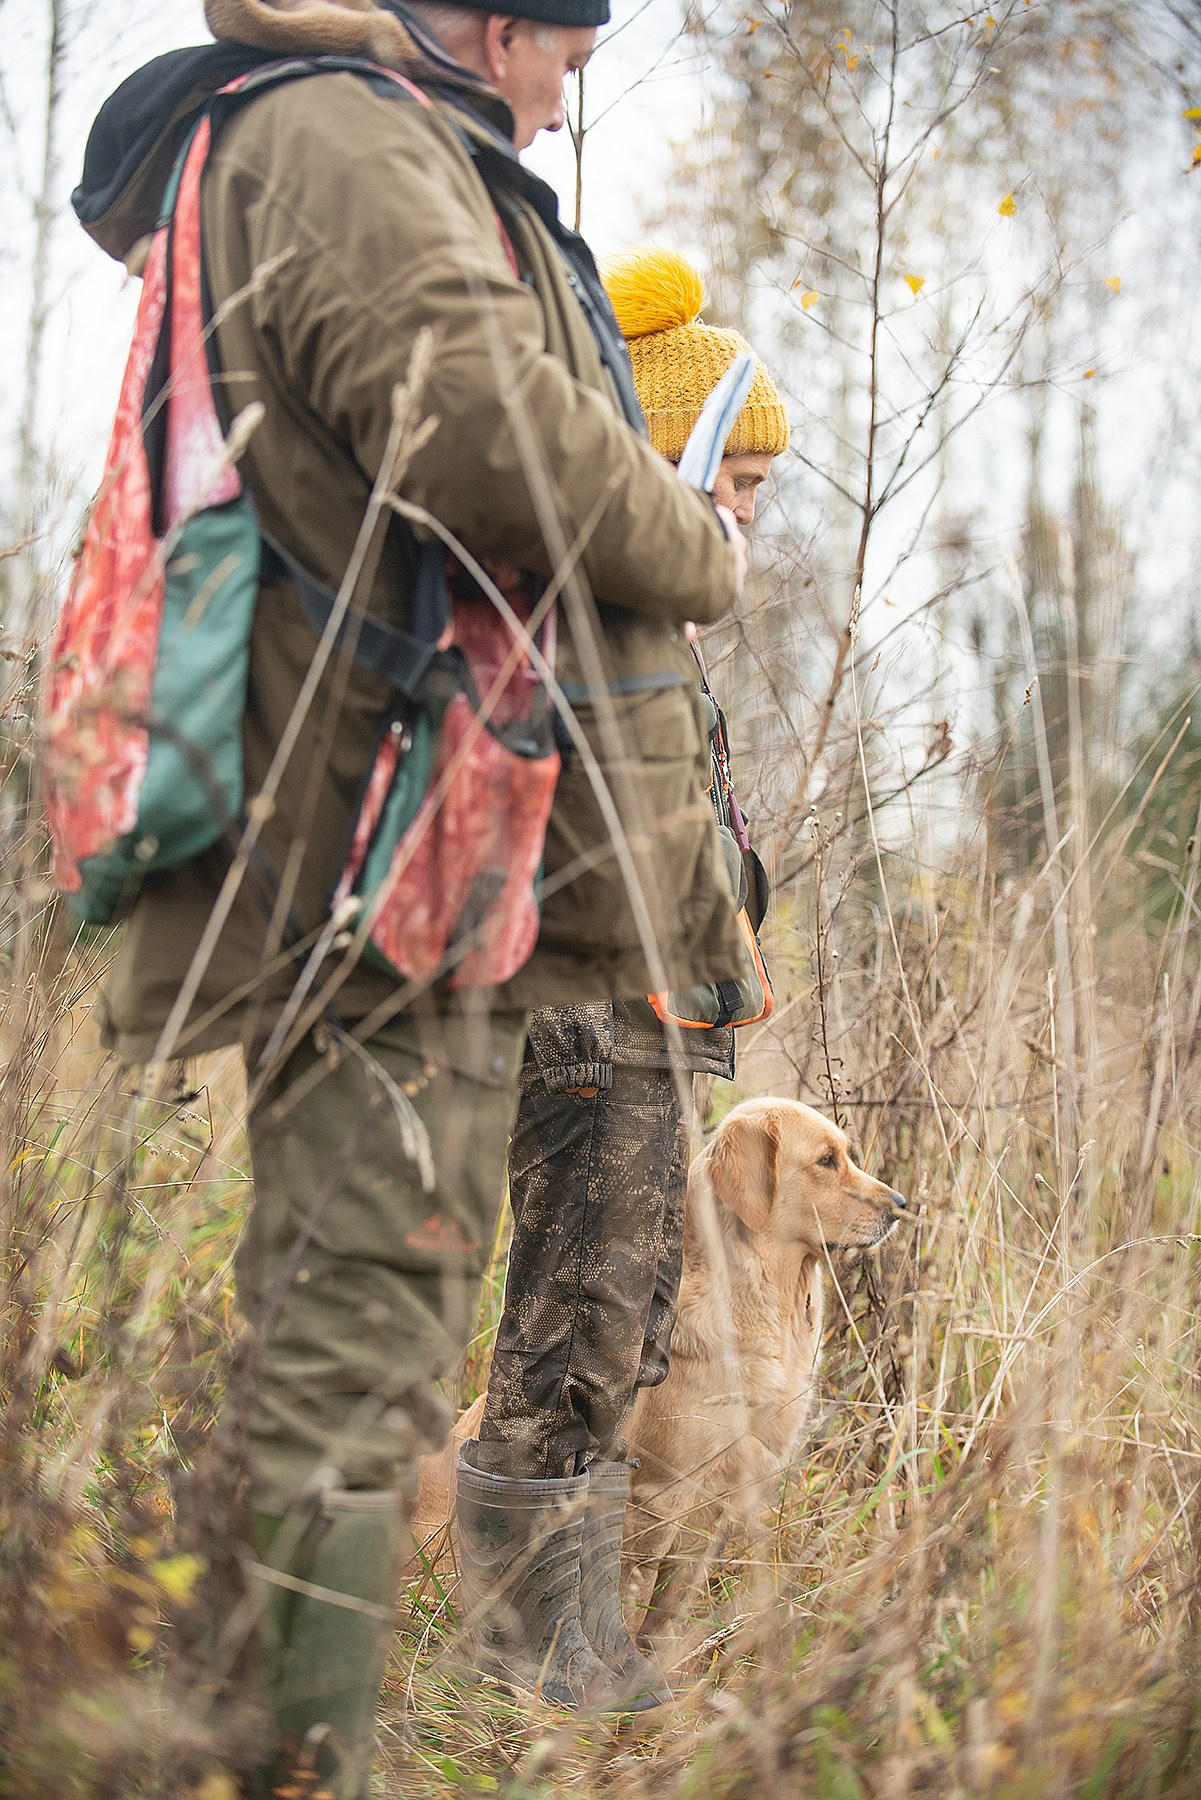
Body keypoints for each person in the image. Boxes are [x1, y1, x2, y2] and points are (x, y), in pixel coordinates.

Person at [72, 9, 750, 1794]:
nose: (573, 72)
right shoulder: (342, 135)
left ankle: (265, 1741)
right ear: (485, 20)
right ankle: (291, 1763)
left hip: (427, 860)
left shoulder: (361, 136)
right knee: (353, 1354)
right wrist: (694, 549)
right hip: (376, 856)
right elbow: (476, 420)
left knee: (367, 1343)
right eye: (560, 32)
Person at [464, 246, 788, 1705]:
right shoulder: (586, 615)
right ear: (663, 463)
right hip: (592, 1024)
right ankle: (526, 1651)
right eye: (739, 483)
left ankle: (576, 1633)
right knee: (571, 1323)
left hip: (654, 1027)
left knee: (625, 1318)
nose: (743, 521)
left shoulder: (651, 631)